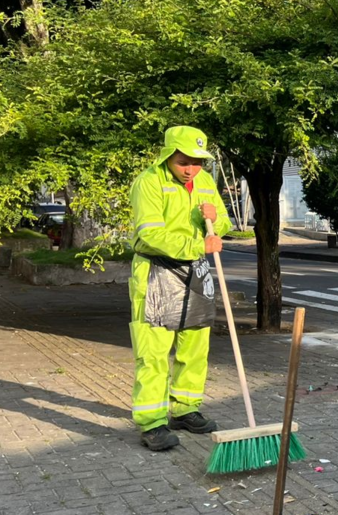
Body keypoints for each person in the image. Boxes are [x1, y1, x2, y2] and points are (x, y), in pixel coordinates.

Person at [129, 126, 231, 451]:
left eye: (198, 161)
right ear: (168, 154)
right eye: (184, 161)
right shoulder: (148, 182)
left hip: (196, 270)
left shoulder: (203, 182)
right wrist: (199, 243)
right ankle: (152, 422)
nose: (191, 169)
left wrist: (216, 220)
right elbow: (150, 234)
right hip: (157, 270)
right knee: (154, 350)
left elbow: (223, 224)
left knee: (195, 345)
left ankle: (185, 409)